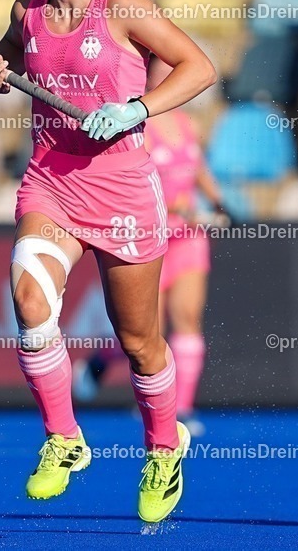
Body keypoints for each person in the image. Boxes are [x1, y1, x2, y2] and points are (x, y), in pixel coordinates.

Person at [0, 0, 216, 523]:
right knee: (30, 299)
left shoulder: (125, 7)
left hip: (123, 193)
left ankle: (164, 449)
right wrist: (0, 71)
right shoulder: (25, 10)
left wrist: (138, 109)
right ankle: (64, 438)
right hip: (51, 182)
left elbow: (200, 67)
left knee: (140, 343)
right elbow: (9, 51)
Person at [73, 60, 227, 438]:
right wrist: (178, 209)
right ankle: (101, 361)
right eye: (162, 69)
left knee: (187, 317)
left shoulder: (189, 126)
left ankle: (182, 410)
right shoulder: (136, 127)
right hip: (148, 237)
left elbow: (197, 170)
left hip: (188, 239)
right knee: (142, 331)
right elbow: (133, 184)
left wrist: (219, 204)